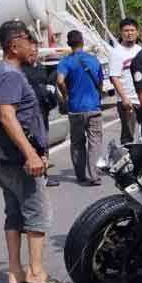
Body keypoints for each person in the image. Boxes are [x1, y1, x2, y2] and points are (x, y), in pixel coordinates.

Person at [0, 21, 70, 283]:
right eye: (29, 41)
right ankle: (36, 274)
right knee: (37, 214)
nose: (33, 46)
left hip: (4, 157)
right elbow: (7, 116)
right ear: (14, 45)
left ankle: (16, 272)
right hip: (19, 160)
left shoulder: (2, 72)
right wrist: (31, 154)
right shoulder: (11, 75)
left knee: (14, 214)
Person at [57, 30, 104, 186]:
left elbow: (60, 80)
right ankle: (94, 175)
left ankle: (80, 175)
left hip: (75, 109)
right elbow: (100, 82)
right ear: (82, 42)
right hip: (93, 107)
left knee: (77, 143)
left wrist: (65, 95)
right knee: (95, 141)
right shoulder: (94, 60)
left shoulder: (65, 62)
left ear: (69, 44)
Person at [22, 37, 61, 187]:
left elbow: (47, 85)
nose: (33, 54)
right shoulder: (21, 71)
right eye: (31, 51)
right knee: (32, 143)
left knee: (43, 142)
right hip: (28, 115)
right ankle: (34, 177)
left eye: (36, 51)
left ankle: (44, 175)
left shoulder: (40, 67)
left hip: (42, 112)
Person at [109, 17, 142, 144]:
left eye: (132, 30)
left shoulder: (140, 50)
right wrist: (124, 98)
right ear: (121, 33)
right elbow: (114, 77)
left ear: (137, 32)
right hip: (128, 101)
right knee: (128, 136)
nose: (130, 33)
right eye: (126, 30)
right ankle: (128, 160)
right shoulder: (117, 52)